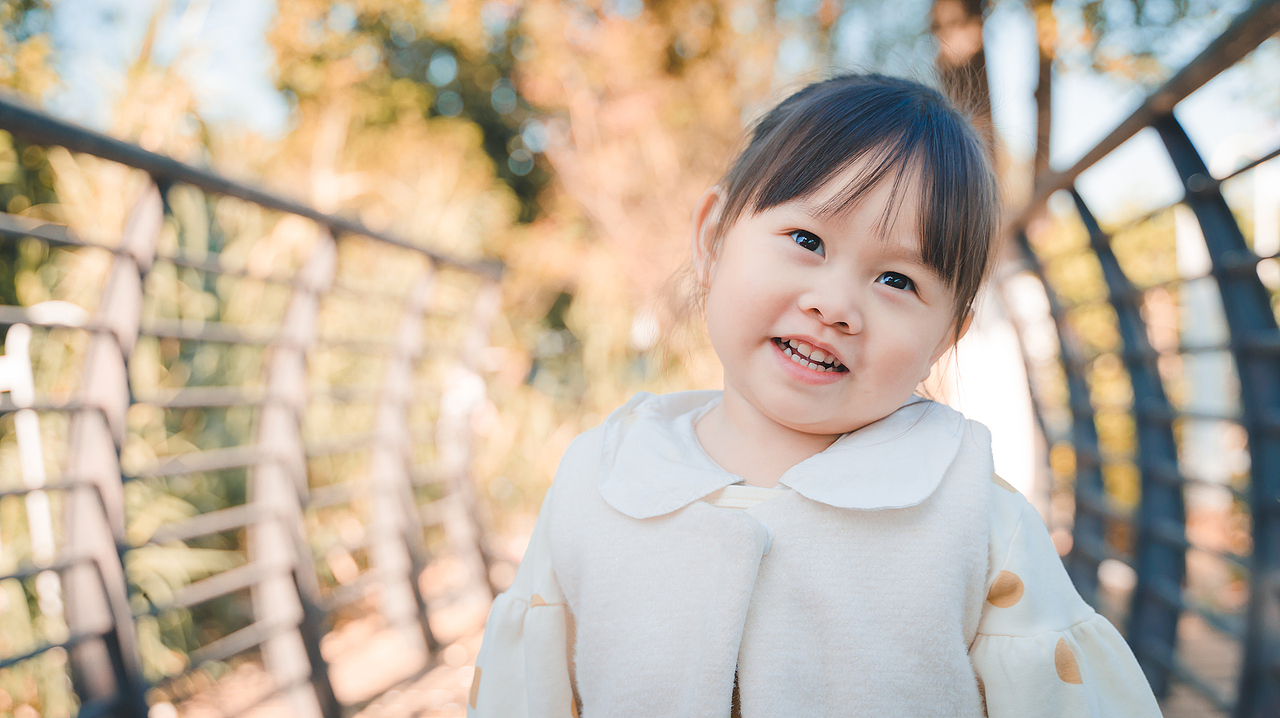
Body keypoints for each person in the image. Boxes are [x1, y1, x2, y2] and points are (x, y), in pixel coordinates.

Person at [466, 74, 1162, 717]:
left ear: (946, 337)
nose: (834, 305)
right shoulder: (602, 481)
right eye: (807, 239)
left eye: (897, 281)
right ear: (712, 239)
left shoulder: (975, 519)